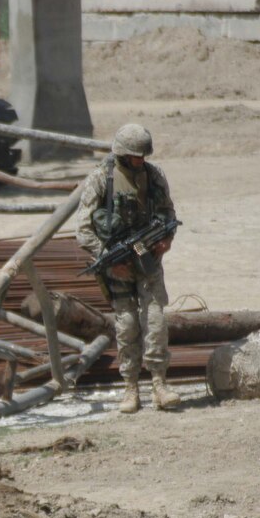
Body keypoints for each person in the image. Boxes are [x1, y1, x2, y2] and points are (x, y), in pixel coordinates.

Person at [76, 123, 181, 414]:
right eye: (135, 156)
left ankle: (159, 384)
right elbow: (83, 229)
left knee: (156, 322)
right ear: (121, 153)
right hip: (118, 266)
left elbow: (168, 212)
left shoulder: (154, 175)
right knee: (126, 326)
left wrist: (167, 239)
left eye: (142, 156)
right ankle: (130, 388)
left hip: (149, 262)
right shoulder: (101, 178)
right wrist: (108, 258)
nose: (139, 160)